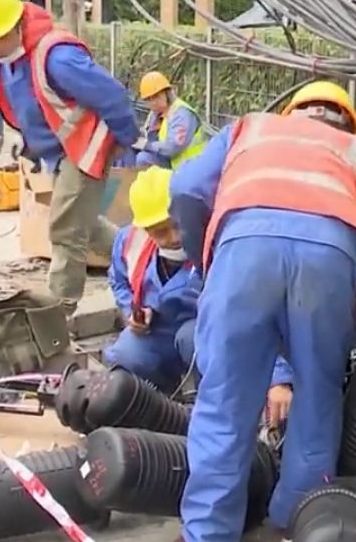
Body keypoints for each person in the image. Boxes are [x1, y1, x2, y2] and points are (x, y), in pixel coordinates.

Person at [168, 80, 356, 542]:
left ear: (293, 112)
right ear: (345, 121)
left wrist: (205, 258)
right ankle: (298, 535)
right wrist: (351, 318)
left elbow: (186, 187)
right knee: (318, 403)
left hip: (243, 251)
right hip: (331, 260)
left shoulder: (248, 130)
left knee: (225, 402)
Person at [0, 0, 139, 328]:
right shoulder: (10, 57)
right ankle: (139, 256)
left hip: (88, 147)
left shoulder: (58, 58)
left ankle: (57, 316)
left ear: (16, 27)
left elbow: (112, 96)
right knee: (84, 225)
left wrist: (126, 141)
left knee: (65, 230)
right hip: (61, 152)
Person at [108, 167, 295, 402]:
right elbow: (119, 280)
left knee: (194, 340)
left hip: (210, 328)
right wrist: (130, 312)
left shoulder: (216, 245)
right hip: (159, 329)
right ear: (146, 230)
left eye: (177, 225)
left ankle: (212, 403)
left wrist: (277, 377)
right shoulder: (130, 243)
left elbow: (251, 312)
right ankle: (161, 403)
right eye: (162, 232)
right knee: (127, 354)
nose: (175, 238)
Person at [134, 71, 207, 169]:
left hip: (191, 166)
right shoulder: (156, 114)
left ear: (167, 93)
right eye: (149, 99)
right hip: (172, 163)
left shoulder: (182, 114)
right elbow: (150, 135)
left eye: (156, 97)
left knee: (143, 159)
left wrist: (146, 145)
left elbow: (173, 148)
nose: (153, 103)